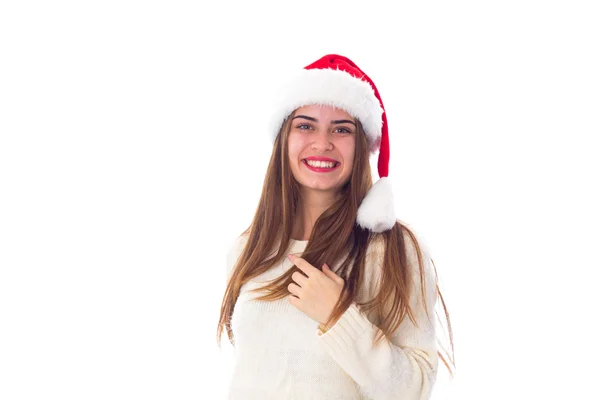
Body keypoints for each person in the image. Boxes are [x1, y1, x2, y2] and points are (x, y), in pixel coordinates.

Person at [216, 54, 455, 399]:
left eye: (341, 129)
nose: (322, 142)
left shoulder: (391, 250)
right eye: (306, 125)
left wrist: (339, 316)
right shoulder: (248, 249)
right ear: (284, 137)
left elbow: (415, 388)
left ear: (361, 144)